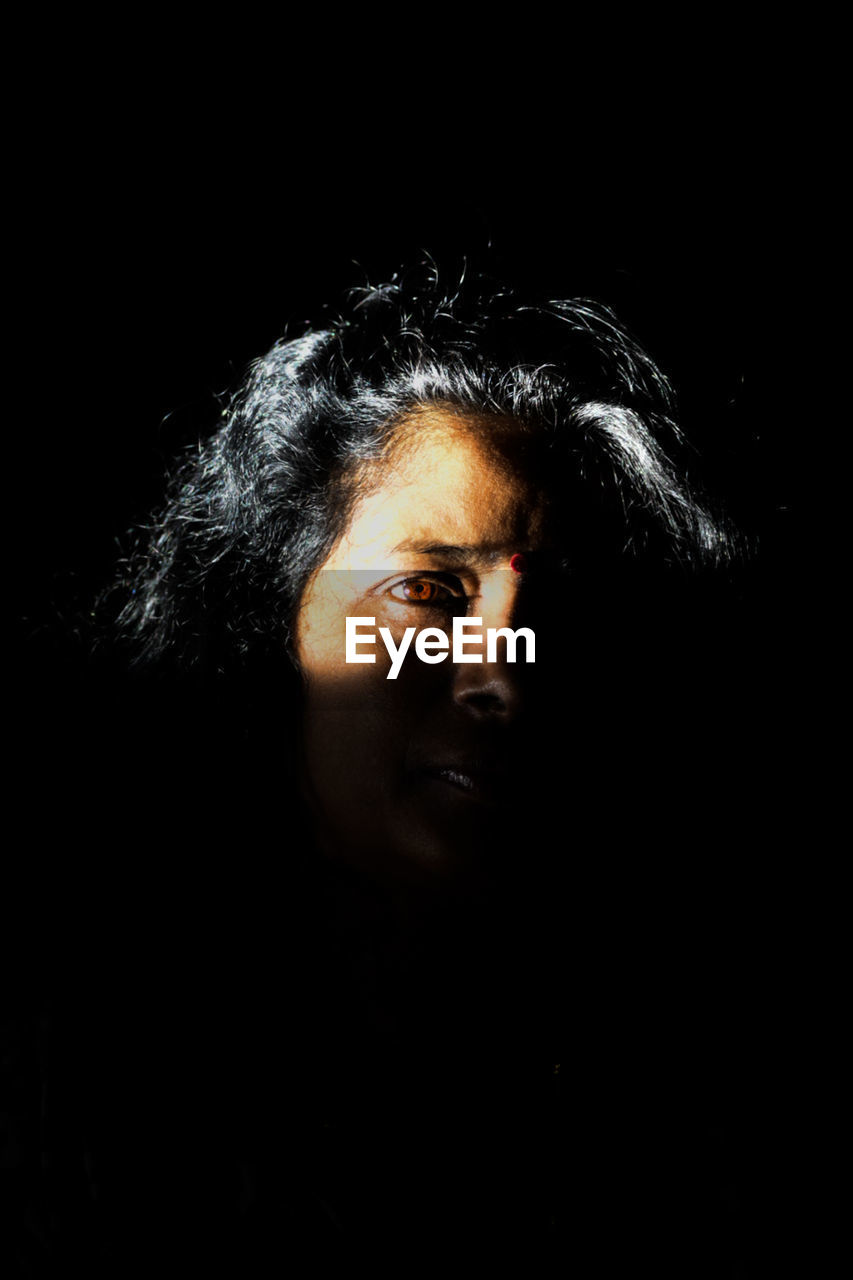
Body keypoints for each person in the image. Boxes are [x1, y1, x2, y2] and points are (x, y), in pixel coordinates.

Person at [28, 263, 748, 1269]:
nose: (499, 672)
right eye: (426, 589)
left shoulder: (663, 1082)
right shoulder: (80, 1067)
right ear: (268, 619)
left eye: (556, 613)